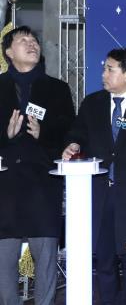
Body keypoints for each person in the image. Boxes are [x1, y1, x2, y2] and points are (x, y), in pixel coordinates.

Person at [62, 48, 126, 305]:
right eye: (104, 68)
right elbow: (78, 132)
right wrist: (73, 144)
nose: (103, 74)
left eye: (110, 69)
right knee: (103, 260)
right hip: (98, 193)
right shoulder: (92, 103)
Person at [0, 26, 75, 305]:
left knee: (45, 260)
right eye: (23, 40)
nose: (32, 44)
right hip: (5, 186)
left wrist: (43, 134)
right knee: (3, 263)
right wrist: (5, 135)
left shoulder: (57, 88)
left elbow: (69, 133)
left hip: (42, 184)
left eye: (34, 40)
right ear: (9, 52)